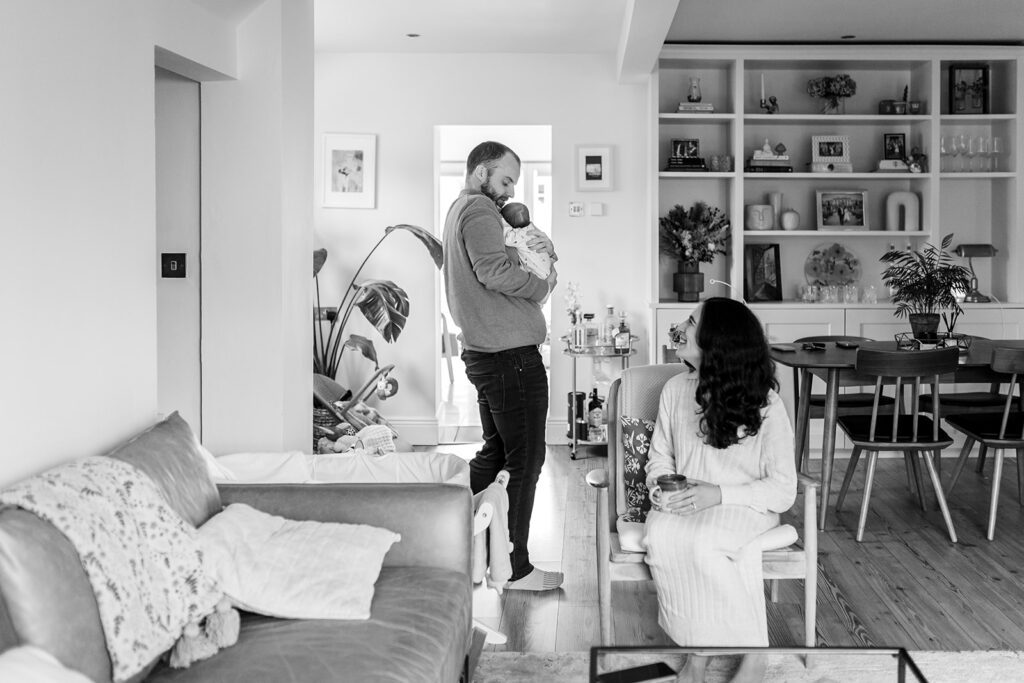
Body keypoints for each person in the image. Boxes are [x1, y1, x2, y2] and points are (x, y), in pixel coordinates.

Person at [643, 297, 797, 683]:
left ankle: (751, 657)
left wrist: (720, 494)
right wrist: (658, 488)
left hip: (747, 509)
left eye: (691, 322)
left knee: (703, 543)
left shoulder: (767, 404)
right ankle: (697, 656)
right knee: (660, 535)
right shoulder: (675, 390)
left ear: (716, 342)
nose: (680, 328)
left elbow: (783, 491)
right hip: (688, 504)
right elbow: (659, 459)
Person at [442, 141, 562, 591]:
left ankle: (447, 535)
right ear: (481, 173)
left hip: (490, 353)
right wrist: (541, 287)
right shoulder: (478, 210)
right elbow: (493, 271)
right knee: (525, 459)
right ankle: (515, 568)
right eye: (506, 179)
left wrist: (541, 256)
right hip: (509, 357)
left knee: (496, 454)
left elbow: (501, 263)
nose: (511, 190)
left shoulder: (462, 210)